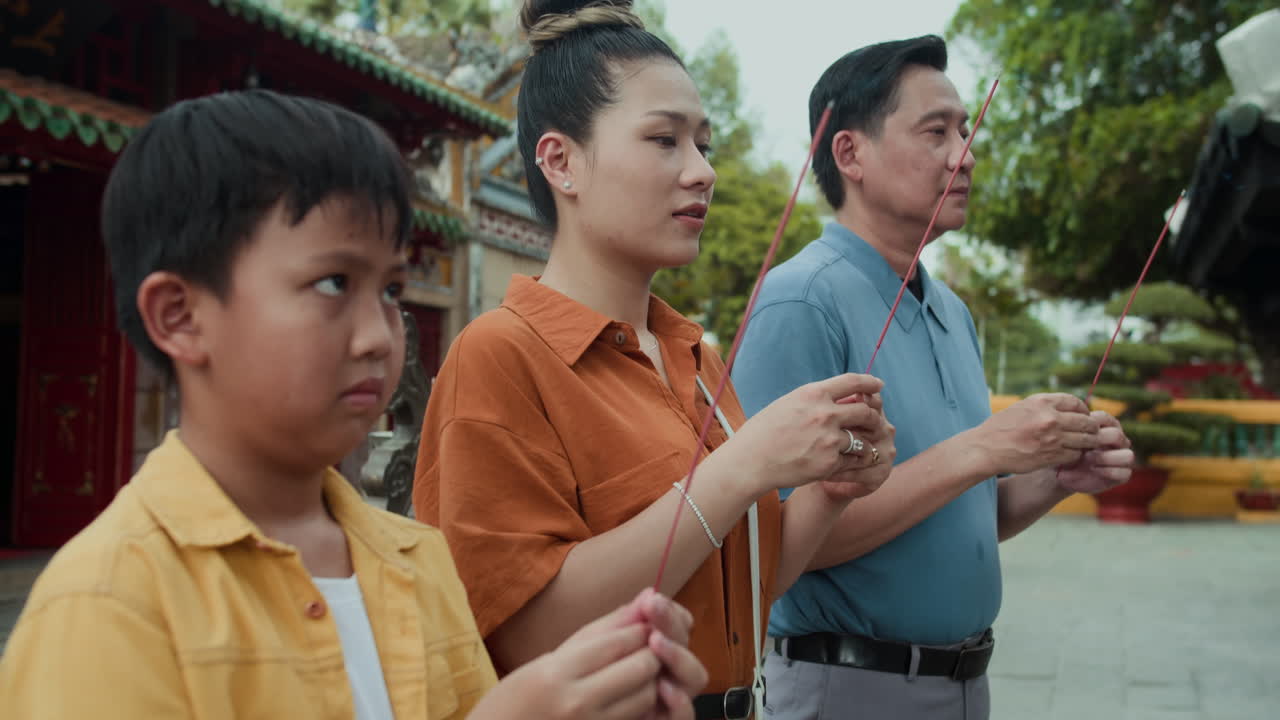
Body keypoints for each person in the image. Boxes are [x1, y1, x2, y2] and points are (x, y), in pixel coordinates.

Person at [0, 89, 708, 720]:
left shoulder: (416, 560)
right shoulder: (107, 604)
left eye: (391, 290)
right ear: (180, 317)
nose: (379, 336)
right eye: (334, 283)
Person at [411, 2, 897, 719]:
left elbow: (748, 583)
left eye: (704, 144)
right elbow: (528, 630)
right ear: (560, 161)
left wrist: (829, 488)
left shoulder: (695, 355)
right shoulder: (500, 354)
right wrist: (745, 464)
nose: (702, 171)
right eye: (664, 140)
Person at [730, 35, 1137, 720]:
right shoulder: (802, 300)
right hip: (848, 687)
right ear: (850, 153)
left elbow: (960, 512)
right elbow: (773, 548)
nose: (964, 155)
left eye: (966, 131)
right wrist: (983, 448)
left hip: (966, 684)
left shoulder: (951, 310)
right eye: (936, 132)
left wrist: (1054, 477)